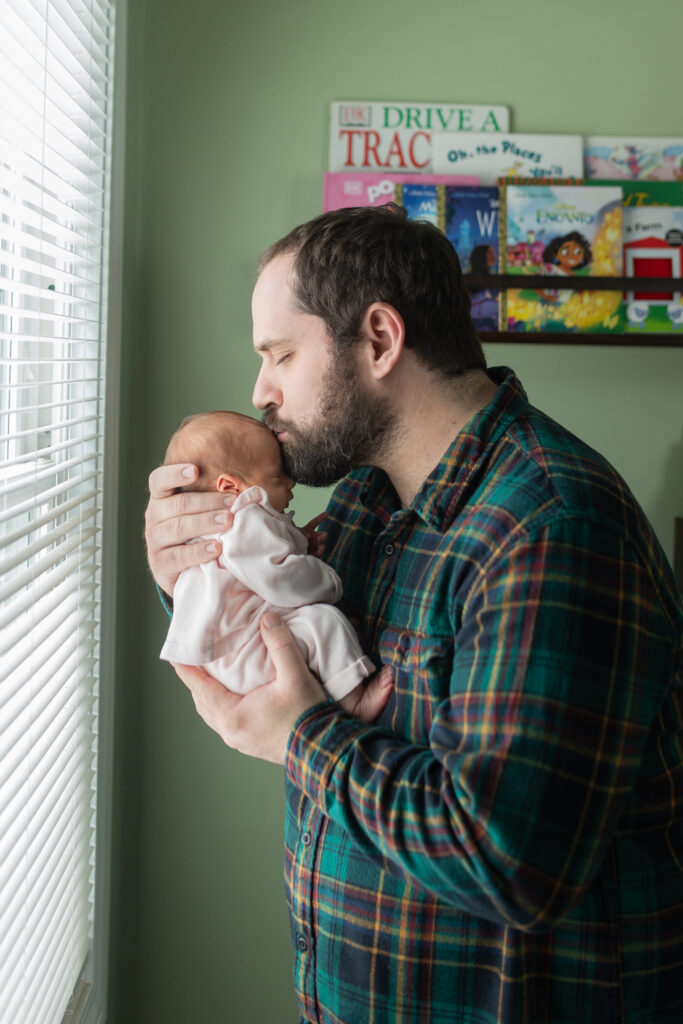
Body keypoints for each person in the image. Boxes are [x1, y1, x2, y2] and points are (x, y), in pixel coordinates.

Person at [145, 205, 683, 1024]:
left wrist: (301, 737)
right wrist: (184, 558)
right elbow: (267, 605)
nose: (260, 392)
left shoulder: (551, 525)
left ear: (379, 340)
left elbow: (508, 864)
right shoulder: (368, 498)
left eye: (281, 354)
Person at [158, 409, 377, 707]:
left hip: (232, 657)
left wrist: (297, 545)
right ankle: (356, 703)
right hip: (249, 652)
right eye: (277, 475)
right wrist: (328, 580)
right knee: (324, 622)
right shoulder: (243, 518)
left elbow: (255, 573)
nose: (290, 482)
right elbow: (281, 579)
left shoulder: (218, 531)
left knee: (319, 632)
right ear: (231, 487)